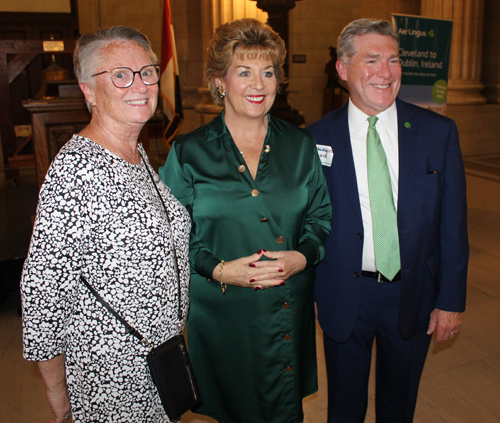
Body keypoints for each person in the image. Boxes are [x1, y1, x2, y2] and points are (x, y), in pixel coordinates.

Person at [159, 18, 331, 423]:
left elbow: (321, 217)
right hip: (222, 312)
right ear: (220, 81)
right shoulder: (188, 153)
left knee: (285, 411)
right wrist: (218, 269)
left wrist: (302, 257)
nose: (259, 84)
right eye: (244, 71)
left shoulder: (301, 145)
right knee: (234, 409)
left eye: (268, 72)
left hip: (287, 306)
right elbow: (171, 235)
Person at [21, 26, 191, 423]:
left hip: (159, 360)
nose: (141, 84)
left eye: (147, 72)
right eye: (120, 74)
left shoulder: (136, 154)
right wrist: (56, 390)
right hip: (111, 374)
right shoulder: (77, 169)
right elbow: (42, 291)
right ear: (89, 91)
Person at [306, 19, 469, 423]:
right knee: (344, 405)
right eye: (372, 59)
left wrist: (450, 300)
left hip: (413, 294)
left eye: (393, 59)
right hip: (345, 293)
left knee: (399, 405)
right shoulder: (314, 139)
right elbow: (305, 224)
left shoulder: (438, 133)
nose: (386, 71)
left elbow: (452, 222)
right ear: (343, 69)